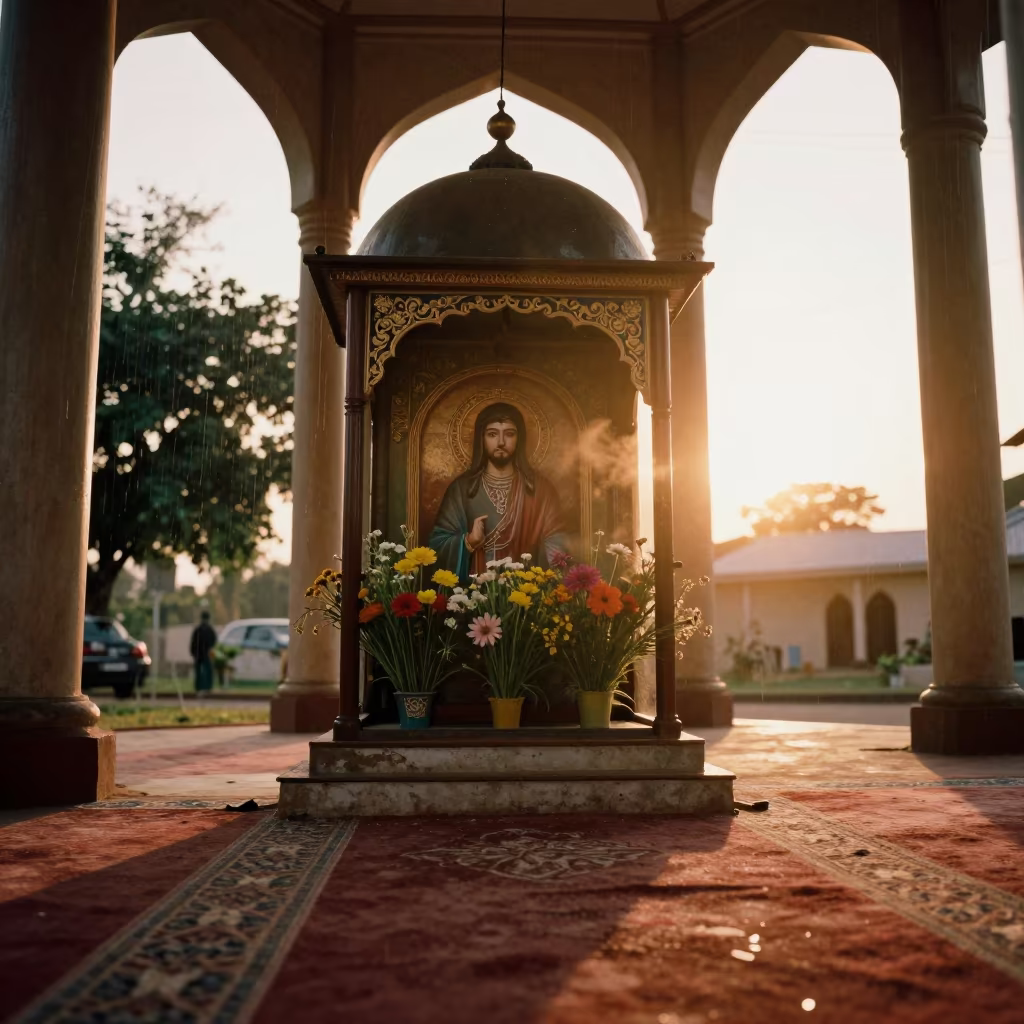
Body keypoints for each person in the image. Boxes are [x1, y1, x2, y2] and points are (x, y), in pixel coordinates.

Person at [428, 402, 568, 581]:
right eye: (492, 434)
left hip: (526, 594)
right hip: (475, 595)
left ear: (520, 439)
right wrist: (469, 541)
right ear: (482, 438)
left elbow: (557, 541)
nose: (501, 442)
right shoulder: (462, 490)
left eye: (509, 434)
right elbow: (437, 545)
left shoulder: (541, 490)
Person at [189, 611, 217, 697]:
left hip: (198, 654)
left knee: (198, 671)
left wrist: (193, 652)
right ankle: (208, 687)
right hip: (207, 653)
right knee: (208, 670)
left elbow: (193, 642)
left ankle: (198, 687)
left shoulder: (198, 629)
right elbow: (214, 641)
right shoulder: (210, 629)